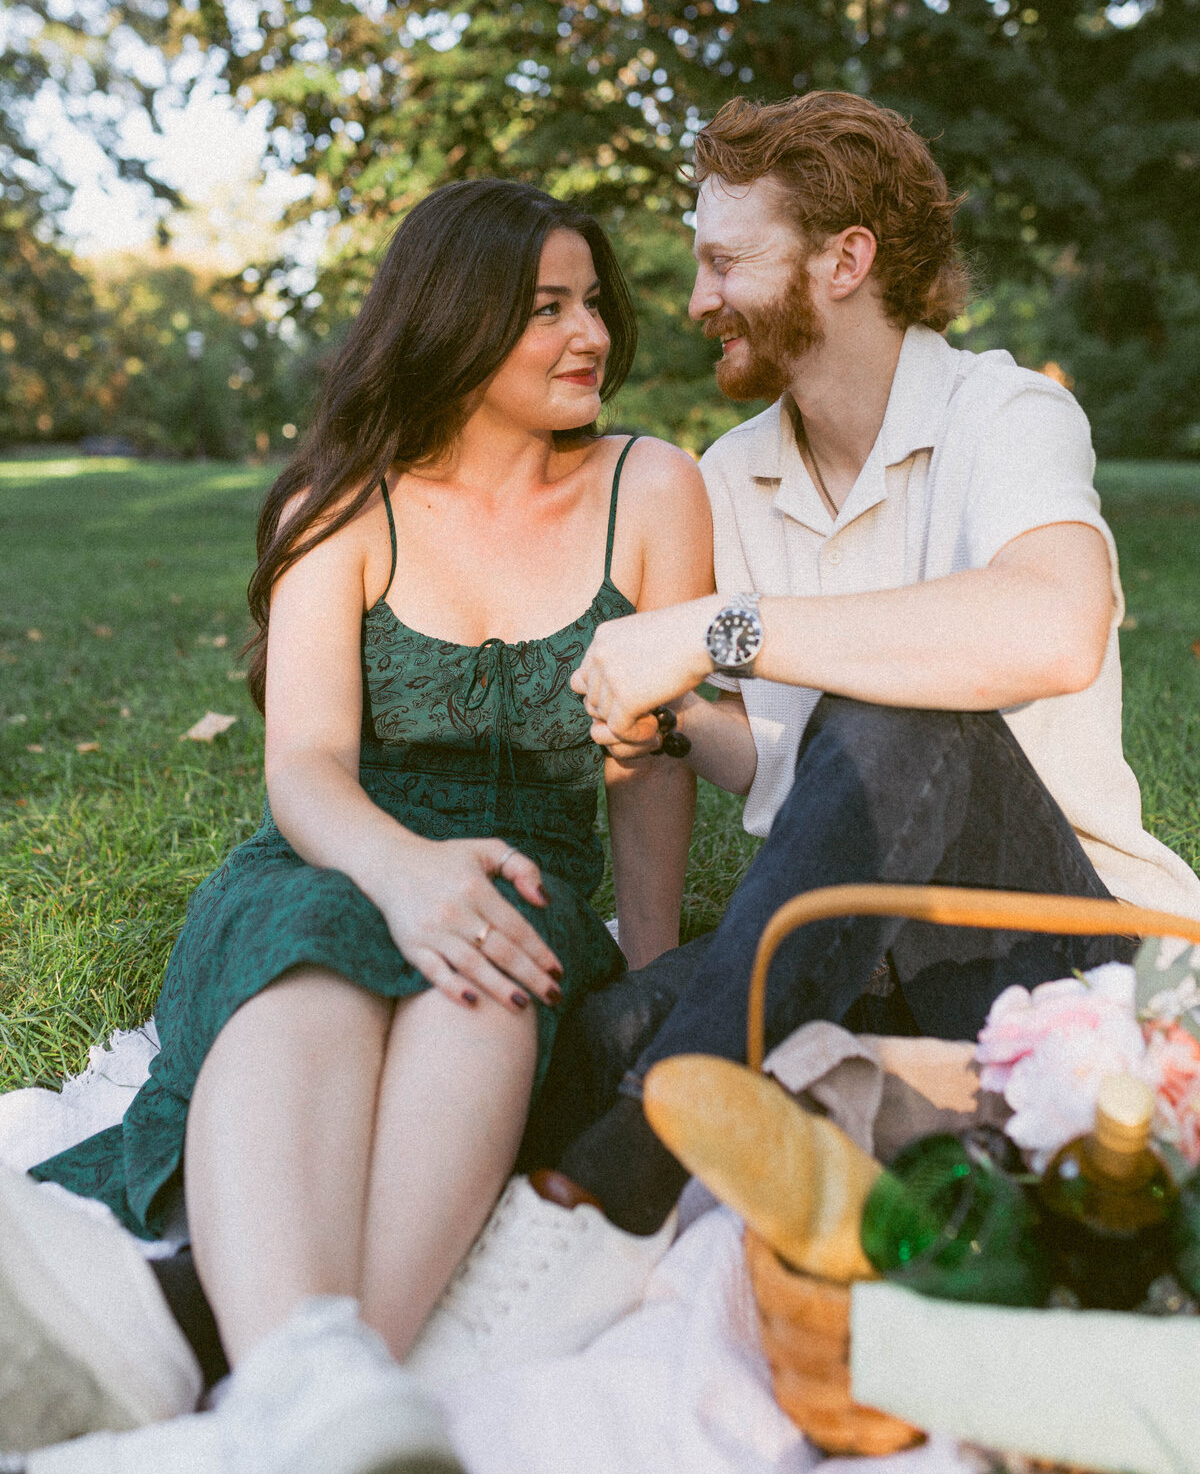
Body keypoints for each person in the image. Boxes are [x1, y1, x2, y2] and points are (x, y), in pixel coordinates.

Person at [389, 90, 1200, 1362]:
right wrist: (675, 722)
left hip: (1071, 954)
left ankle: (630, 1182)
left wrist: (715, 629)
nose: (698, 297)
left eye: (725, 260)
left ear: (844, 260)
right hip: (849, 955)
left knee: (909, 711)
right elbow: (792, 768)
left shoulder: (1004, 416)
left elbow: (1054, 630)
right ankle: (306, 1312)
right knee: (591, 1031)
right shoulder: (730, 474)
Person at [0, 178, 711, 1474]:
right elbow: (309, 766)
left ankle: (296, 1390)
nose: (590, 334)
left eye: (593, 302)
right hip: (335, 846)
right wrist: (400, 872)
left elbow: (650, 758)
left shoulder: (652, 485)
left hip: (525, 879)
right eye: (546, 308)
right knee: (317, 947)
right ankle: (310, 1388)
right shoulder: (338, 503)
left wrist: (655, 966)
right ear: (454, 321)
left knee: (490, 968)